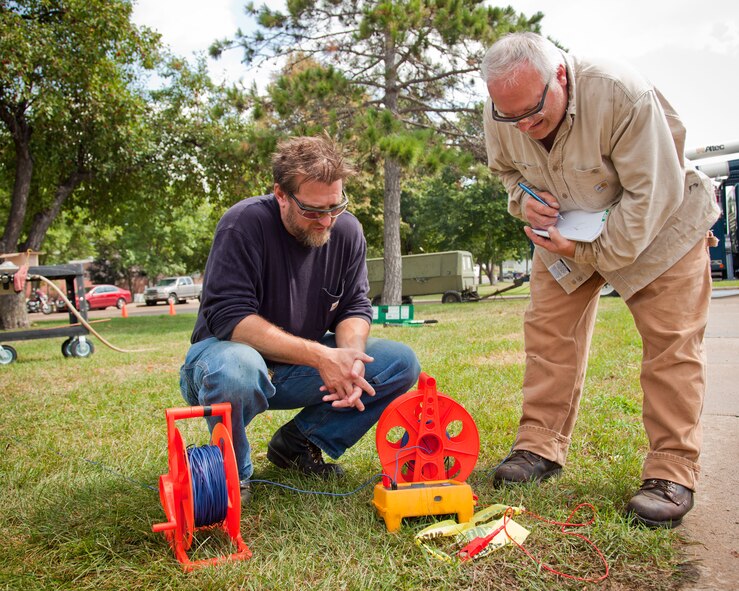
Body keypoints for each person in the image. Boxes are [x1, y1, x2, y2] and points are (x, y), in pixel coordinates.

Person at [480, 32, 719, 528]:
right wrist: (524, 198)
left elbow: (653, 192)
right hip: (568, 226)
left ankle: (672, 471)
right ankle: (538, 447)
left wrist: (592, 251)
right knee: (548, 333)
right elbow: (506, 172)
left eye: (533, 113)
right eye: (510, 116)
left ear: (560, 77)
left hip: (659, 224)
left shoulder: (619, 92)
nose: (522, 125)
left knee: (671, 344)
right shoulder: (502, 111)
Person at [180, 135, 421, 501]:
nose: (326, 220)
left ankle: (297, 445)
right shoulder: (243, 224)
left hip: (297, 369)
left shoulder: (348, 231)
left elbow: (354, 306)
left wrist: (350, 358)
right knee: (239, 367)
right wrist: (323, 357)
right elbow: (231, 319)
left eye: (335, 206)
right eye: (312, 210)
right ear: (280, 194)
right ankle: (233, 473)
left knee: (399, 363)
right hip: (221, 362)